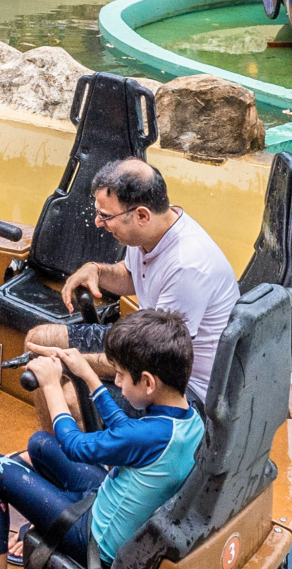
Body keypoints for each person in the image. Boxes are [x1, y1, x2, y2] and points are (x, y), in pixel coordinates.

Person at [0, 308, 203, 569]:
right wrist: (86, 374)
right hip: (110, 501)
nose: (117, 382)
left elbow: (74, 445)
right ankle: (43, 516)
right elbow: (126, 430)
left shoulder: (147, 436)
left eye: (121, 375)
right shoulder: (188, 418)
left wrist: (52, 385)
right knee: (40, 443)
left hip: (95, 539)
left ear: (148, 383)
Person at [22, 156, 238, 404]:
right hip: (145, 343)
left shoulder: (187, 267)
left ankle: (67, 439)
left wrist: (70, 362)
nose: (98, 223)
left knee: (69, 399)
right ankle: (63, 440)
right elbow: (135, 277)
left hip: (180, 386)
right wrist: (97, 271)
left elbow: (156, 360)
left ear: (142, 215)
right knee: (37, 341)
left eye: (105, 216)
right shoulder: (148, 232)